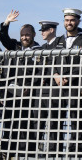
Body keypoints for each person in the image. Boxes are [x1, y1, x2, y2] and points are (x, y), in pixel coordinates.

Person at [0, 10, 41, 155]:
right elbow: (3, 37)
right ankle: (5, 153)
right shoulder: (15, 46)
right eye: (22, 34)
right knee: (9, 124)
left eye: (27, 34)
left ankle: (26, 155)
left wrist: (28, 87)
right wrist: (6, 23)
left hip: (30, 96)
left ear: (34, 35)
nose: (24, 37)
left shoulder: (40, 51)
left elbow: (40, 73)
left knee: (27, 126)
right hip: (12, 95)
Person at [51, 8, 82, 153]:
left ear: (78, 21)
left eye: (72, 20)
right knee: (55, 118)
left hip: (75, 84)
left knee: (76, 118)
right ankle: (54, 150)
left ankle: (76, 150)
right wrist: (55, 74)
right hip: (58, 84)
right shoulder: (58, 40)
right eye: (67, 20)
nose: (69, 23)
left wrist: (72, 78)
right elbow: (51, 60)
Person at [35, 20, 60, 152]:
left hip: (54, 89)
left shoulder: (60, 44)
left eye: (44, 30)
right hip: (42, 88)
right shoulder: (42, 48)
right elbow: (40, 67)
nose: (42, 33)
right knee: (38, 120)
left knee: (54, 121)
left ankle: (53, 151)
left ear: (51, 30)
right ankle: (36, 149)